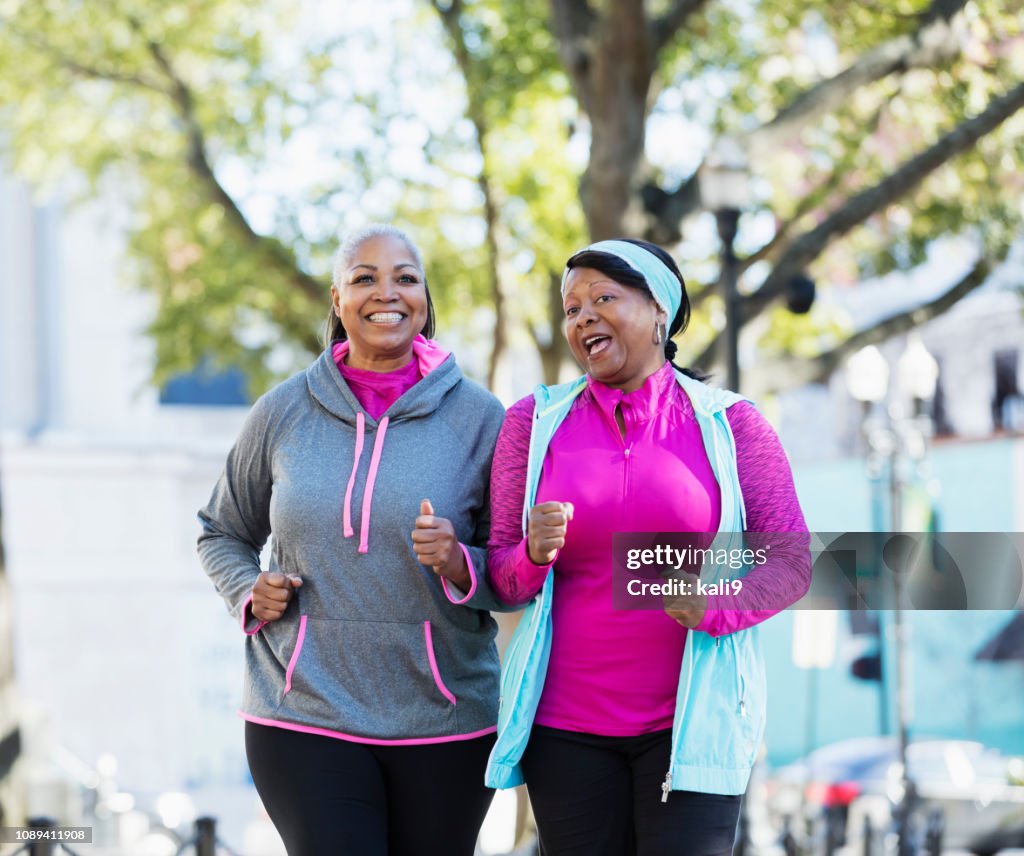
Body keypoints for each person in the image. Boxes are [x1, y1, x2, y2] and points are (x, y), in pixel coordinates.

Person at [484, 238, 811, 856]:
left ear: (660, 309)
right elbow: (501, 580)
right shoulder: (531, 423)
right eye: (572, 306)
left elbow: (790, 560)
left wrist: (713, 600)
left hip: (693, 728)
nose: (583, 316)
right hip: (565, 732)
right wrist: (530, 554)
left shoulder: (732, 424)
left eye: (604, 297)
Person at [197, 225, 509, 856]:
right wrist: (248, 591)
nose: (385, 292)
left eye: (405, 277)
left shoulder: (481, 418)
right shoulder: (283, 410)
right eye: (364, 278)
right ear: (337, 302)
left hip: (443, 715)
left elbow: (510, 570)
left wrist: (459, 561)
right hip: (303, 707)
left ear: (424, 299)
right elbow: (221, 531)